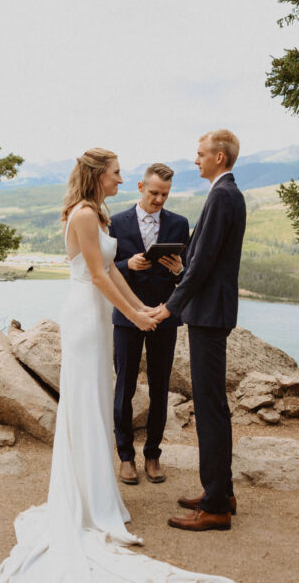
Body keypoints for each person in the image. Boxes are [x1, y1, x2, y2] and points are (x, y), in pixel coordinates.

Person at [0, 148, 231, 582]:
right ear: (98, 175)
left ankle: (98, 493)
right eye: (117, 173)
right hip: (86, 314)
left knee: (98, 400)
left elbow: (108, 271)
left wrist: (141, 309)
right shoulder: (84, 215)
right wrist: (137, 314)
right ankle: (87, 499)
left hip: (102, 314)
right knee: (88, 399)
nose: (122, 180)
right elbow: (100, 275)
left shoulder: (96, 213)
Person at [153, 130, 246, 532]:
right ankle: (220, 491)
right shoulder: (225, 193)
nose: (196, 160)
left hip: (208, 314)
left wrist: (169, 306)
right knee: (212, 405)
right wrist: (182, 260)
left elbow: (205, 260)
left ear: (220, 157)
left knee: (209, 408)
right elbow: (200, 253)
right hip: (210, 312)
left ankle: (215, 506)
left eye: (200, 154)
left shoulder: (223, 195)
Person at [109, 162, 188, 485]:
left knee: (160, 387)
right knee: (124, 386)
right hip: (127, 315)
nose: (159, 199)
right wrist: (127, 264)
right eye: (154, 192)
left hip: (162, 315)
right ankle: (125, 457)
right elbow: (102, 268)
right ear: (140, 188)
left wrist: (179, 268)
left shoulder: (179, 224)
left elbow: (188, 274)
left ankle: (153, 455)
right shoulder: (116, 222)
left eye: (165, 195)